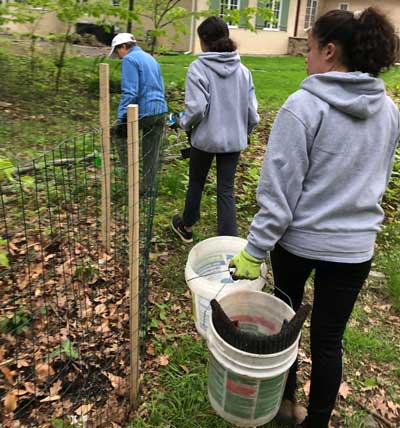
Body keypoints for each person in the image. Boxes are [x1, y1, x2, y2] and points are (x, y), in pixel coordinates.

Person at [229, 7, 400, 428]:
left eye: (308, 49)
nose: (305, 59)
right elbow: (377, 174)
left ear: (329, 50)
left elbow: (278, 192)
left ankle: (282, 402)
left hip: (299, 245)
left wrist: (254, 249)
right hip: (355, 250)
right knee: (329, 340)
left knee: (284, 325)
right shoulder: (390, 110)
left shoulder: (303, 105)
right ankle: (316, 421)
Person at [171, 16, 259, 243]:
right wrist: (244, 132)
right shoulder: (243, 71)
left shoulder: (198, 68)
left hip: (205, 140)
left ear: (204, 41)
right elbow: (252, 113)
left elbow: (197, 108)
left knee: (197, 182)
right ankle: (228, 244)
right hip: (233, 141)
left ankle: (187, 226)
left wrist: (183, 123)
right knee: (226, 190)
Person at [109, 32, 168, 194]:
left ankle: (132, 181)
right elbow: (160, 85)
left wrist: (120, 118)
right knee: (151, 153)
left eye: (117, 51)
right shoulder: (150, 58)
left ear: (124, 46)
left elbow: (130, 92)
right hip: (160, 110)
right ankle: (148, 189)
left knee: (118, 136)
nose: (119, 56)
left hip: (144, 111)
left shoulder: (129, 60)